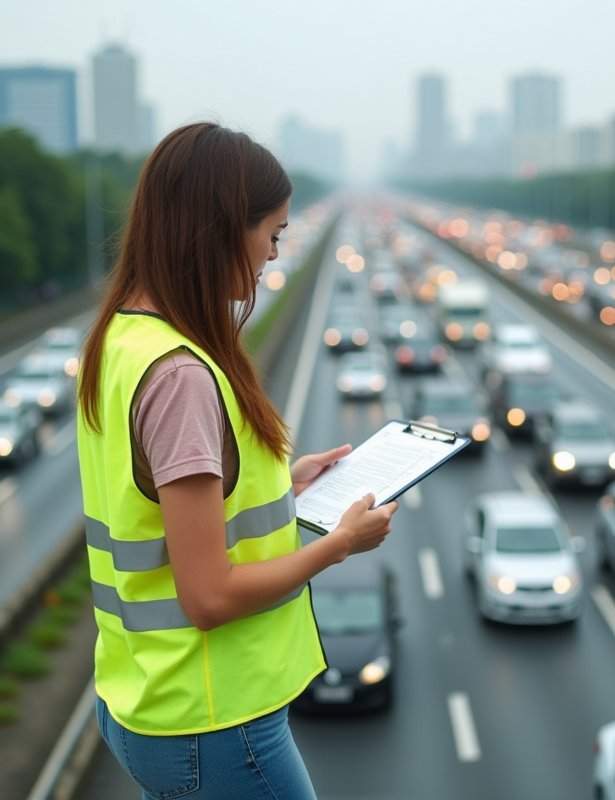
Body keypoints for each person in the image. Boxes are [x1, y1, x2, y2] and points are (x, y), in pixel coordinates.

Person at [76, 122, 396, 799]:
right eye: (272, 234)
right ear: (221, 229)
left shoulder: (122, 340)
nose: (274, 257)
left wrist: (283, 480)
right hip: (215, 722)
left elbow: (156, 507)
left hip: (144, 695)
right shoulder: (182, 376)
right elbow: (208, 595)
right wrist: (338, 545)